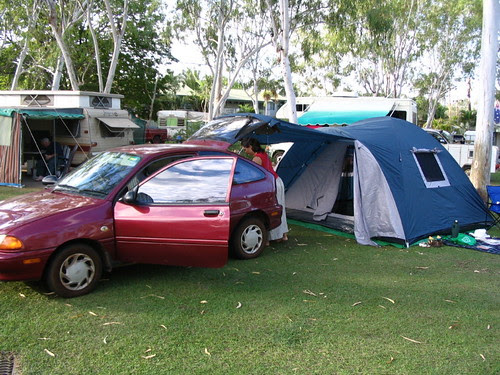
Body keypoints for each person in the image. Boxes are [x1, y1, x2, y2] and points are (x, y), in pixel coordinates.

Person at [241, 138, 288, 243]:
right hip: (277, 181)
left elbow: (253, 175)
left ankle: (275, 236)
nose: (245, 151)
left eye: (245, 149)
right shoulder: (264, 154)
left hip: (272, 184)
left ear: (251, 147)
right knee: (281, 207)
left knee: (272, 208)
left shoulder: (257, 158)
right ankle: (283, 234)